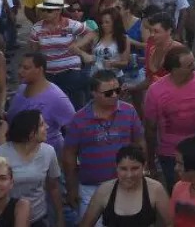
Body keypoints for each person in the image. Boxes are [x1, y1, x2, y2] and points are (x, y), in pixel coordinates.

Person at [63, 71, 146, 221]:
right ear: (93, 93)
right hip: (91, 188)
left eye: (117, 90)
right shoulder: (79, 119)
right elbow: (69, 155)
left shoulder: (129, 111)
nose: (114, 95)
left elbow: (140, 141)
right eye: (108, 93)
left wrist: (142, 169)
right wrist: (72, 187)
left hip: (125, 184)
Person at [144, 48, 195, 190]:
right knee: (177, 192)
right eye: (189, 66)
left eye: (194, 63)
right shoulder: (155, 92)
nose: (194, 68)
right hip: (170, 154)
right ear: (174, 69)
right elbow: (150, 129)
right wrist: (151, 161)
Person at [0, 110, 62, 227]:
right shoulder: (0, 153)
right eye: (42, 125)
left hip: (38, 218)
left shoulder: (48, 152)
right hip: (6, 218)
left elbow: (53, 187)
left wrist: (60, 218)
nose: (47, 127)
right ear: (30, 132)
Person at [79, 145, 173, 227]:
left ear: (143, 166)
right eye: (123, 169)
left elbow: (171, 223)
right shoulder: (104, 190)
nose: (129, 175)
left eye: (135, 168)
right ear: (116, 167)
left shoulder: (155, 189)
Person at [7, 53, 76, 157]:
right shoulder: (21, 90)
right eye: (20, 67)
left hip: (47, 159)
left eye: (26, 68)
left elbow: (74, 128)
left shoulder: (57, 97)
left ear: (39, 70)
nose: (20, 71)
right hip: (19, 154)